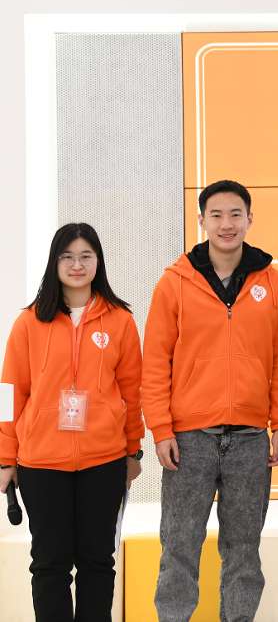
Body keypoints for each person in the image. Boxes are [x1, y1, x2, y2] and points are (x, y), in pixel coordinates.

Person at [141, 179, 278, 622]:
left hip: (250, 439)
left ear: (249, 219)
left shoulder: (272, 283)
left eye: (235, 214)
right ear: (202, 220)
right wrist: (161, 430)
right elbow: (156, 361)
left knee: (244, 550)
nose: (226, 224)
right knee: (179, 546)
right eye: (216, 215)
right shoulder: (175, 282)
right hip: (189, 439)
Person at [0, 223, 143, 622]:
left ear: (98, 262)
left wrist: (133, 451)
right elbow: (9, 393)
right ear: (54, 262)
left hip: (103, 460)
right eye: (67, 256)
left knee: (98, 562)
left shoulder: (120, 321)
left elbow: (133, 392)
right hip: (41, 462)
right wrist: (6, 458)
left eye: (85, 256)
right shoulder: (29, 322)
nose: (77, 265)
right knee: (50, 564)